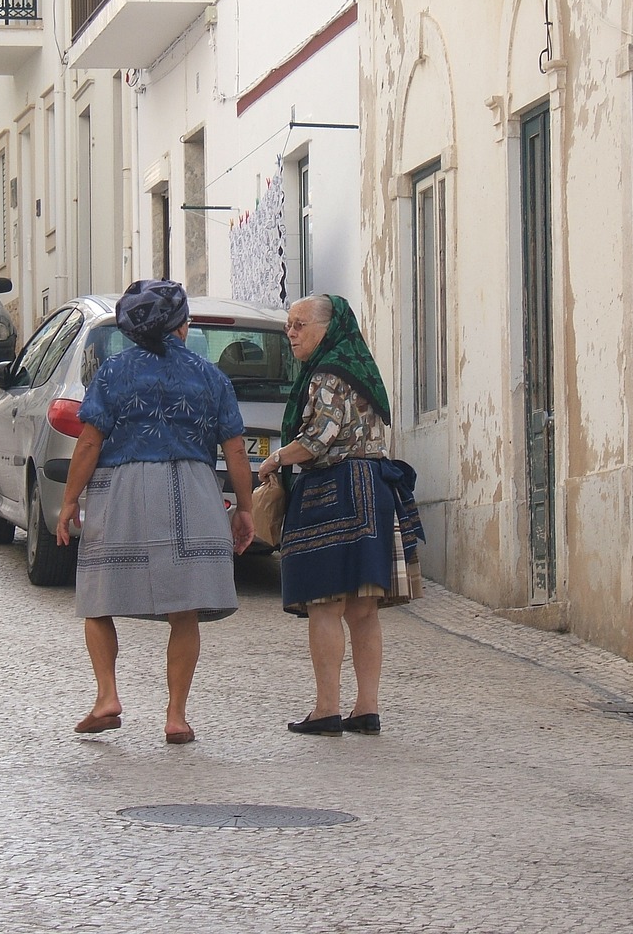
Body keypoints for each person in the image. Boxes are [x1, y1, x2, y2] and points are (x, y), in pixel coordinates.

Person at [55, 279, 256, 745]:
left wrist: (69, 500)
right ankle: (176, 716)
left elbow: (89, 442)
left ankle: (107, 696)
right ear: (180, 325)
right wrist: (244, 509)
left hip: (122, 488)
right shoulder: (212, 377)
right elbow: (237, 451)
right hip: (193, 488)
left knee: (99, 598)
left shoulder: (113, 373)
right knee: (183, 610)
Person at [257, 294, 424, 737]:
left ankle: (326, 709)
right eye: (289, 324)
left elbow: (318, 439)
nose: (291, 332)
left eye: (300, 324)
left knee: (324, 605)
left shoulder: (328, 375)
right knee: (364, 610)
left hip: (332, 493)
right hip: (372, 490)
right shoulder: (358, 369)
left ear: (328, 329)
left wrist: (276, 460)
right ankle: (366, 709)